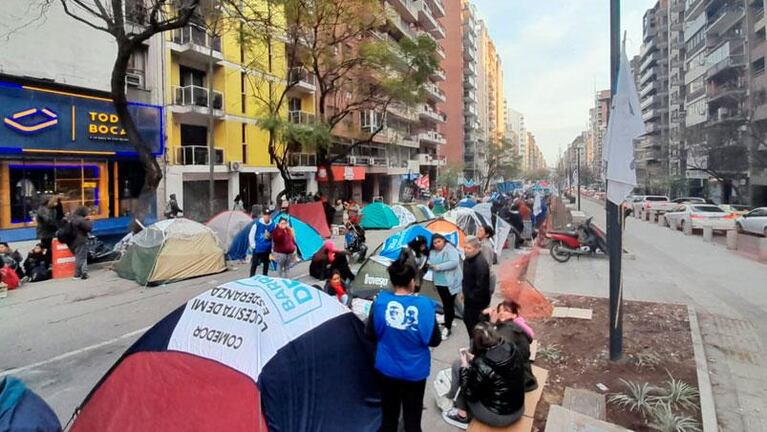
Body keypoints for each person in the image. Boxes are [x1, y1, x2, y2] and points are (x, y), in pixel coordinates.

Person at [366, 258, 441, 432]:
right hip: (414, 371)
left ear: (392, 282)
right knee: (412, 420)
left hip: (387, 369)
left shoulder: (379, 303)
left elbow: (370, 334)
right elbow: (434, 340)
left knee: (389, 417)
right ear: (412, 281)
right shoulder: (425, 306)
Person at [442, 322, 525, 429]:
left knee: (457, 366)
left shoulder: (481, 364)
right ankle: (455, 398)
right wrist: (475, 361)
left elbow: (469, 394)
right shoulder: (511, 348)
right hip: (518, 409)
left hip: (497, 416)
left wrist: (465, 367)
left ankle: (462, 416)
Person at [483, 300, 537, 392]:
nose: (501, 313)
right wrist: (484, 314)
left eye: (506, 310)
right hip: (523, 375)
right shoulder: (511, 326)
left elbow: (494, 351)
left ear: (514, 315)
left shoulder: (508, 331)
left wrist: (491, 324)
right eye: (499, 310)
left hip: (519, 381)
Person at [429, 233, 462, 340]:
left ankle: (448, 327)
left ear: (444, 241)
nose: (437, 244)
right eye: (434, 243)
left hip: (450, 282)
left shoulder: (450, 249)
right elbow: (430, 262)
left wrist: (438, 267)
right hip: (439, 282)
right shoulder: (432, 251)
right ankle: (449, 320)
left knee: (449, 304)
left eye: (439, 241)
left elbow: (454, 262)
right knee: (445, 302)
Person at [462, 236, 491, 338]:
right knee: (467, 321)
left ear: (477, 248)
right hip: (469, 298)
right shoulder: (469, 259)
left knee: (476, 326)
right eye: (464, 247)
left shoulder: (480, 264)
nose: (466, 250)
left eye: (469, 248)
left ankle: (477, 346)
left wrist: (470, 296)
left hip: (477, 301)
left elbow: (481, 287)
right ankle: (473, 343)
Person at [248, 208, 275, 277]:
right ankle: (251, 277)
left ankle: (265, 276)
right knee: (255, 264)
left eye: (269, 215)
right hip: (258, 248)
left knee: (266, 264)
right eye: (266, 215)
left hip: (267, 248)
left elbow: (274, 235)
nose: (267, 217)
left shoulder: (272, 224)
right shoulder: (257, 224)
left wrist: (272, 246)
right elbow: (251, 235)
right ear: (263, 215)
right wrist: (253, 245)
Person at [68, 207, 93, 280]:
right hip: (81, 240)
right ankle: (78, 274)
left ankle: (83, 272)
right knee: (81, 257)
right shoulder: (80, 220)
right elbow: (89, 228)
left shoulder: (72, 218)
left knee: (80, 256)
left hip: (72, 241)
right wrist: (89, 221)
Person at [35, 197, 58, 264]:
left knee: (49, 248)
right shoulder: (42, 209)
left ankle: (49, 262)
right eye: (54, 201)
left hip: (51, 232)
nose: (55, 203)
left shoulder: (53, 209)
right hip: (45, 232)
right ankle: (46, 263)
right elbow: (48, 220)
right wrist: (57, 225)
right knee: (46, 248)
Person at [476, 225, 497, 295]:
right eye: (478, 230)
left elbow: (485, 263)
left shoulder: (485, 246)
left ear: (487, 234)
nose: (478, 232)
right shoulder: (482, 243)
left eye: (481, 231)